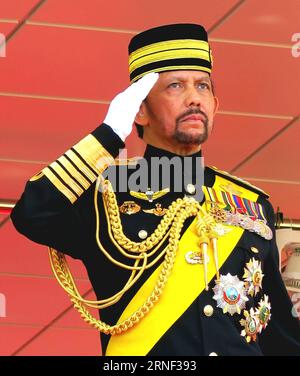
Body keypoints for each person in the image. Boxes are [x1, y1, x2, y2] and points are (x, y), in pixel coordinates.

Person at [11, 23, 300, 356]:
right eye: (175, 86)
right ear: (140, 109)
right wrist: (108, 135)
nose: (194, 97)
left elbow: (280, 335)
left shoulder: (250, 205)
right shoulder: (108, 197)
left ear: (215, 105)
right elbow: (33, 213)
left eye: (203, 86)